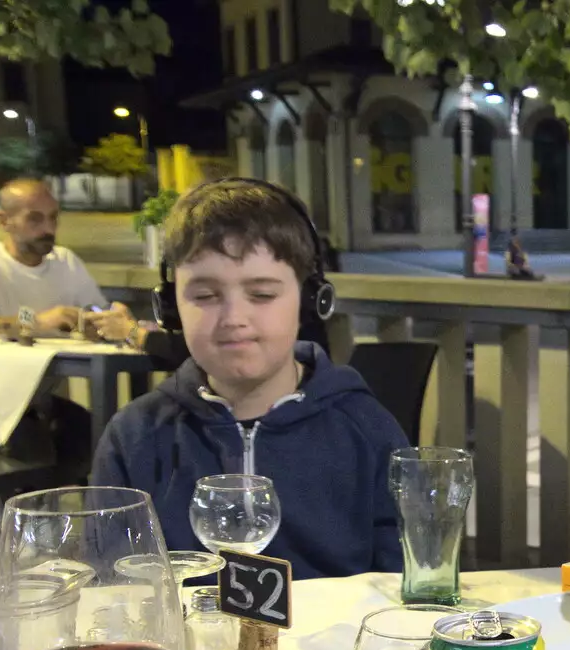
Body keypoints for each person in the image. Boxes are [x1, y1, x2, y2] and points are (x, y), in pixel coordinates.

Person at [91, 177, 408, 580]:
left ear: (312, 300)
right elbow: (112, 590)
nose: (234, 319)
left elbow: (403, 589)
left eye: (261, 294)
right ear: (170, 309)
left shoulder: (367, 429)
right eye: (205, 296)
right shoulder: (135, 436)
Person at [0, 177, 145, 345]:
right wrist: (33, 322)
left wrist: (106, 323)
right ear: (3, 220)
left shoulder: (65, 261)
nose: (49, 229)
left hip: (44, 391)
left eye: (53, 217)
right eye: (34, 218)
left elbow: (96, 311)